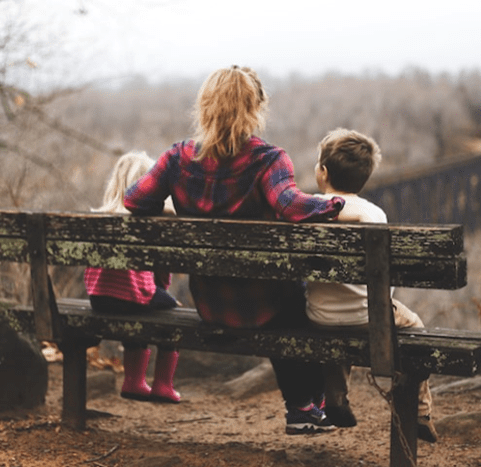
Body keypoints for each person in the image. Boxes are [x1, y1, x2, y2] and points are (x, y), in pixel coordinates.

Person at [123, 65, 345, 435]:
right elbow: (291, 206)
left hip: (211, 303)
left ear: (205, 106)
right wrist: (335, 204)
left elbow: (134, 200)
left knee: (289, 296)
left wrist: (168, 210)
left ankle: (307, 406)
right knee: (301, 299)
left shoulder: (178, 158)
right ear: (256, 108)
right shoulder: (268, 160)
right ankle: (306, 405)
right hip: (267, 305)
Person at [305, 128, 439, 443]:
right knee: (415, 326)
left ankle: (335, 397)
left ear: (323, 173)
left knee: (337, 317)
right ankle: (420, 411)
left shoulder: (308, 209)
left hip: (318, 316)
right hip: (369, 317)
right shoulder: (374, 214)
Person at [85, 151, 183, 404]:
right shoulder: (149, 220)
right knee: (173, 312)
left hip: (98, 298)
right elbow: (159, 276)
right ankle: (162, 384)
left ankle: (134, 381)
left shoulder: (100, 218)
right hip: (133, 296)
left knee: (138, 305)